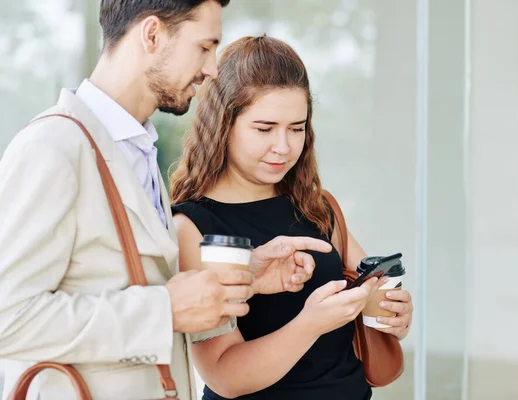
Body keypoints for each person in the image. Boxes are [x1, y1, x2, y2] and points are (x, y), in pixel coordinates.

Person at [0, 2, 331, 399]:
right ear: (152, 34)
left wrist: (248, 275)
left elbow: (127, 280)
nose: (211, 69)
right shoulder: (53, 147)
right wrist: (164, 310)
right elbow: (8, 317)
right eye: (204, 47)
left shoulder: (136, 150)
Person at [170, 35, 414, 400]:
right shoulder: (192, 227)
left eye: (296, 128)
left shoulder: (318, 206)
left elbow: (369, 299)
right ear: (223, 125)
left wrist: (393, 314)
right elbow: (224, 375)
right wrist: (310, 324)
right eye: (264, 129)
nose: (283, 147)